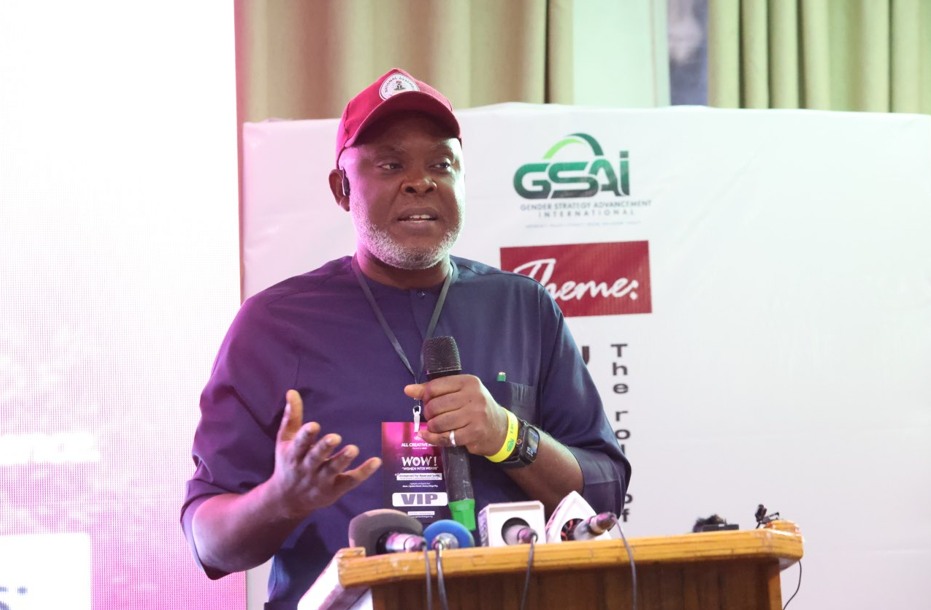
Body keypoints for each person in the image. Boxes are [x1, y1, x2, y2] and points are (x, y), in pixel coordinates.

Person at [181, 68, 630, 610]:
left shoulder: (524, 307)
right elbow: (208, 542)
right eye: (391, 165)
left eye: (441, 164)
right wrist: (280, 498)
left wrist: (508, 435)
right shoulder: (274, 324)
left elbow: (605, 493)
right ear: (342, 189)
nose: (421, 182)